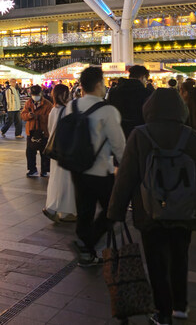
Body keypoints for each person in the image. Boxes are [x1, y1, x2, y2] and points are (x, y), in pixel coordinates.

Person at [108, 88, 196, 325]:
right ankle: (180, 305)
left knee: (156, 262)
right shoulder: (192, 136)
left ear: (149, 108)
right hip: (185, 211)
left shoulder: (140, 135)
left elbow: (126, 176)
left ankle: (163, 312)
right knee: (180, 256)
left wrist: (116, 211)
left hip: (149, 212)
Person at [63, 67, 126, 266]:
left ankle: (86, 254)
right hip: (100, 170)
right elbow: (118, 145)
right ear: (99, 84)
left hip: (76, 168)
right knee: (112, 210)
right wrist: (126, 168)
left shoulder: (71, 106)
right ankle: (86, 245)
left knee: (85, 211)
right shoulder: (108, 110)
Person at [43, 84, 76, 222]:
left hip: (55, 151)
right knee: (66, 180)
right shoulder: (67, 110)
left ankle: (59, 210)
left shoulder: (53, 110)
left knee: (56, 179)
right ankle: (58, 210)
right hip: (65, 150)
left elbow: (50, 129)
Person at [106, 65, 152, 139]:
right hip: (140, 134)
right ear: (143, 77)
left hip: (118, 133)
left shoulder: (114, 92)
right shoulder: (147, 93)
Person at [20, 85, 53, 177]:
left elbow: (50, 117)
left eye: (37, 94)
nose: (35, 96)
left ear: (41, 93)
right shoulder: (28, 103)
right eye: (33, 94)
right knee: (30, 152)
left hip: (43, 132)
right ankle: (32, 170)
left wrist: (38, 117)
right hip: (31, 131)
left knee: (44, 152)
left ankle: (44, 170)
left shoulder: (47, 104)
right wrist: (29, 116)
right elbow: (23, 115)